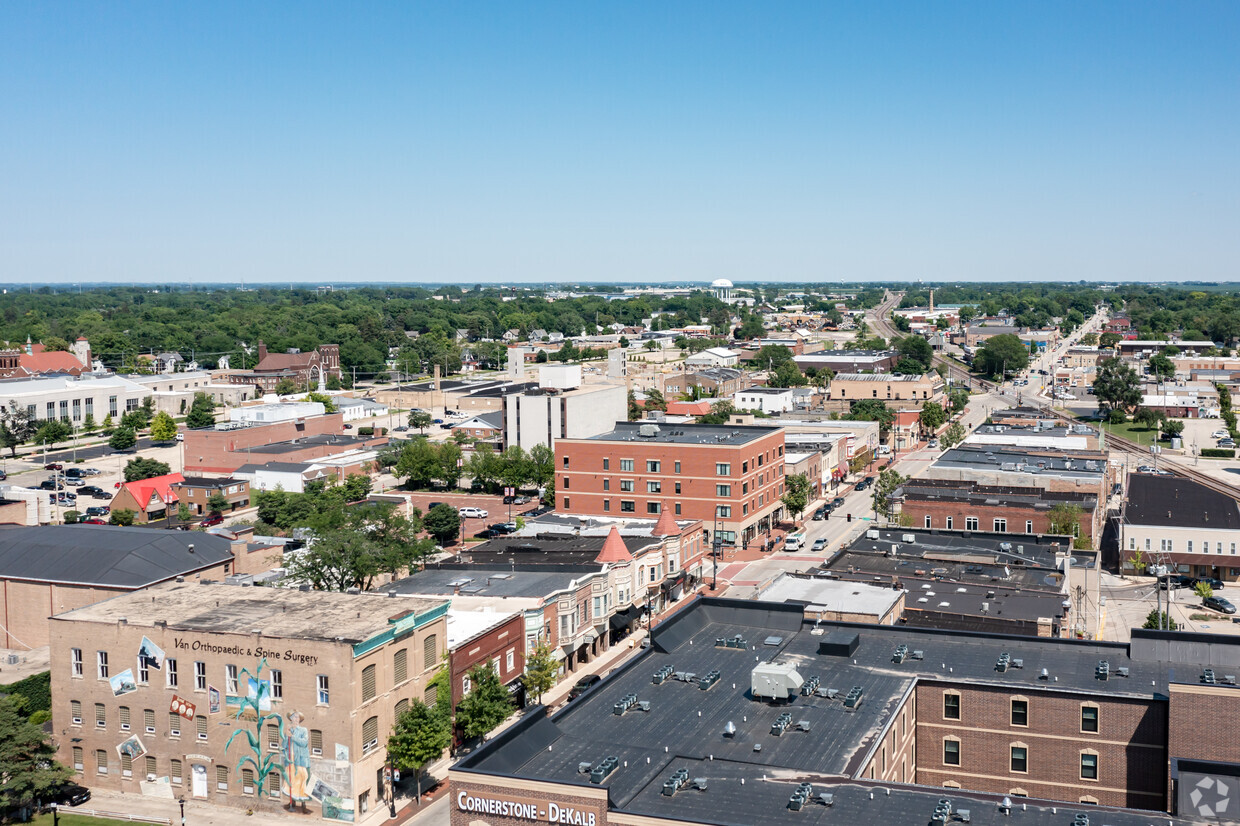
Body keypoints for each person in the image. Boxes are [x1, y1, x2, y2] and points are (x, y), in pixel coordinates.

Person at [284, 711, 311, 812]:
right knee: (292, 780)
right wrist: (286, 736)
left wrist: (292, 736)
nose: (295, 719)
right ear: (290, 719)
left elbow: (304, 743)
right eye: (293, 717)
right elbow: (284, 745)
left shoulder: (303, 730)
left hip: (300, 760)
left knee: (302, 778)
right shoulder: (289, 730)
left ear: (299, 719)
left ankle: (303, 804)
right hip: (291, 760)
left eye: (297, 717)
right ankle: (293, 802)